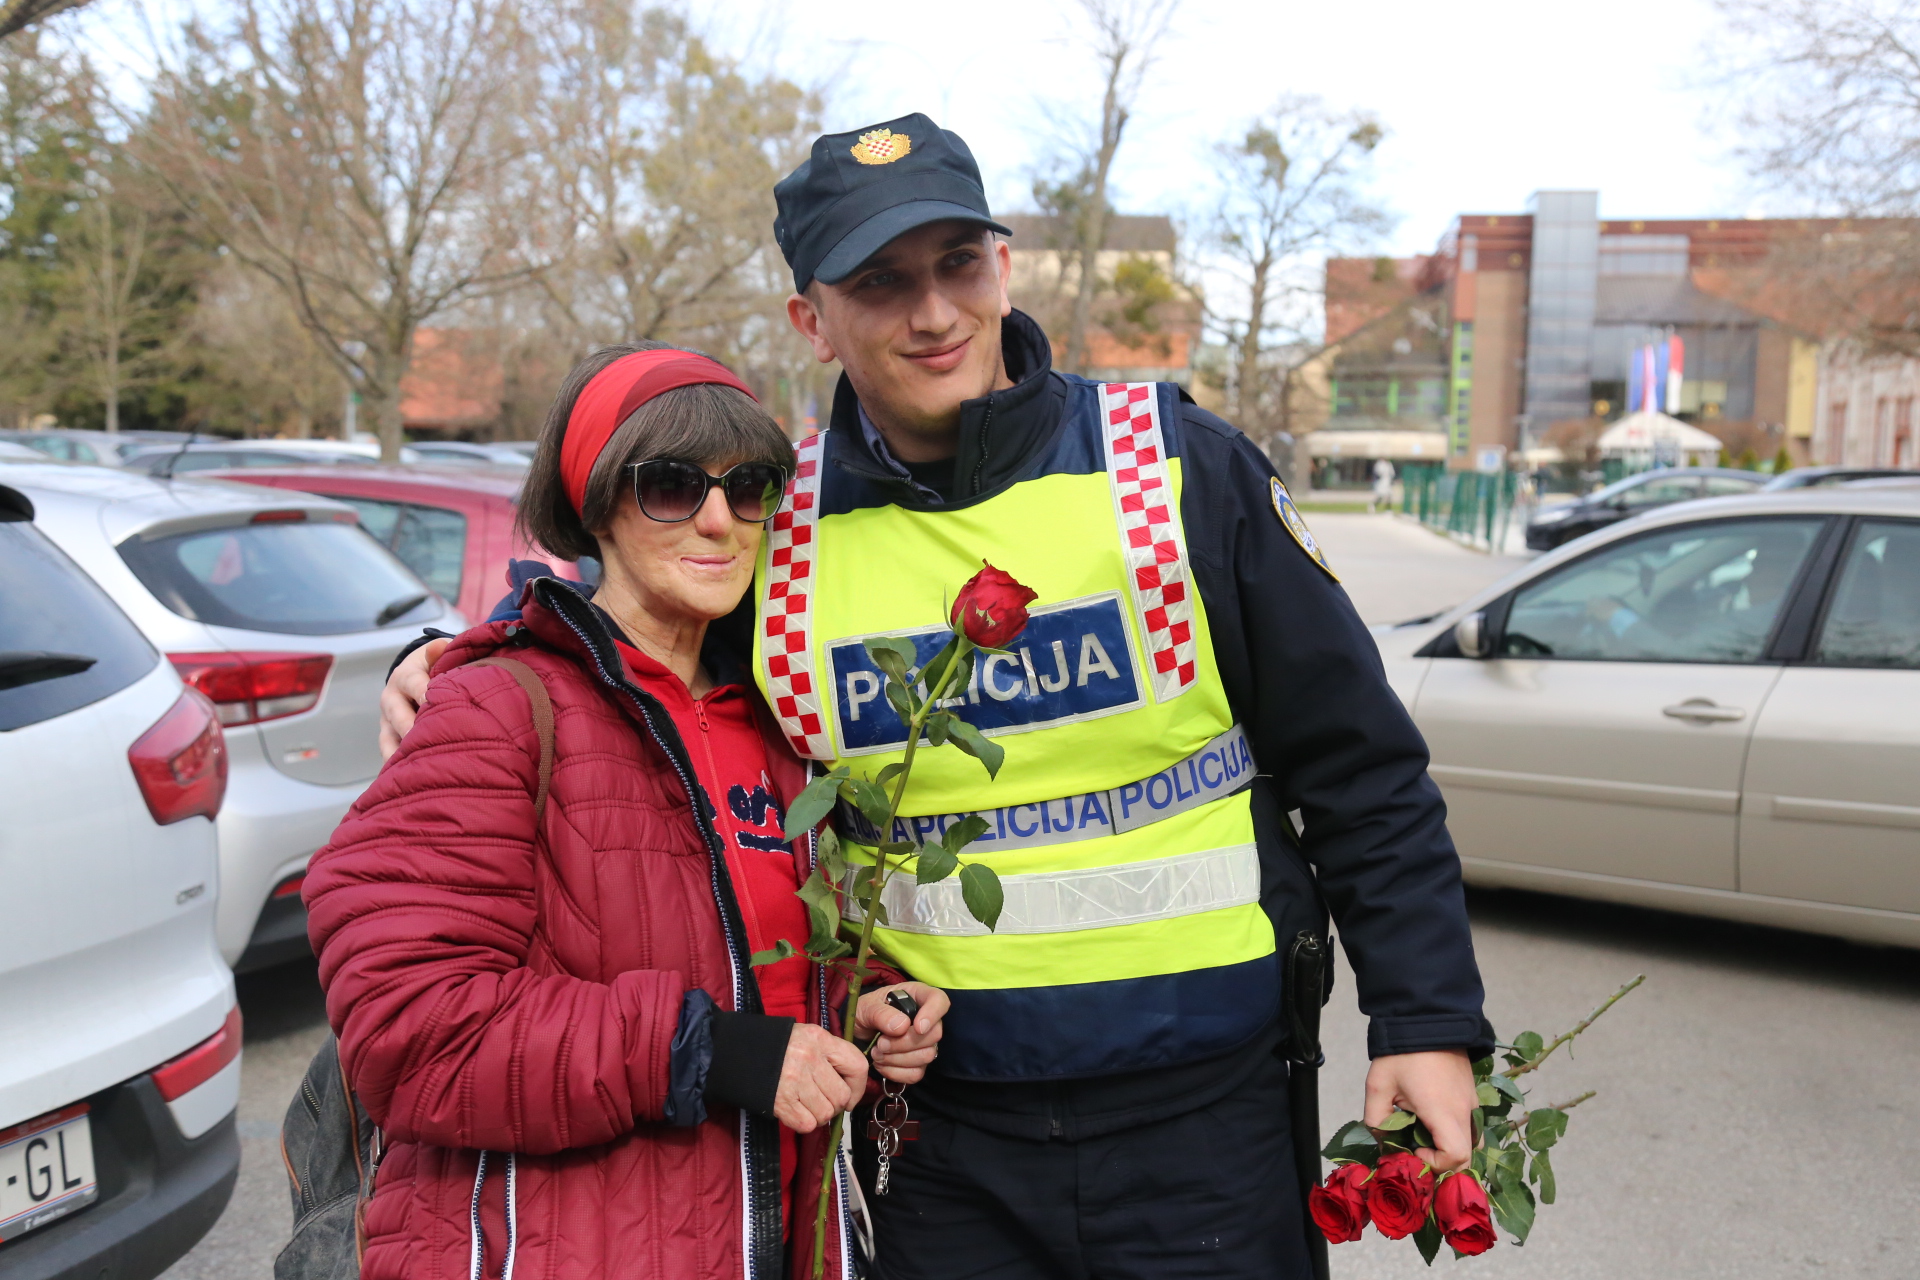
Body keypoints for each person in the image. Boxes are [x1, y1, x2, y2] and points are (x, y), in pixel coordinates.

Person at [382, 115, 1491, 1279]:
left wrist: (1425, 1017)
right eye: (880, 281)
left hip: (1206, 1122)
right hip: (936, 1141)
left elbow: (1360, 768)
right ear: (812, 320)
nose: (933, 311)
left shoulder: (1174, 467)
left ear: (1002, 266)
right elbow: (624, 626)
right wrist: (448, 653)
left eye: (958, 263)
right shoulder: (779, 524)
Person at [310, 342, 949, 1280]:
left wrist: (869, 1001)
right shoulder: (497, 706)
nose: (720, 521)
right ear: (597, 504)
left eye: (750, 488)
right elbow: (408, 1027)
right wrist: (709, 1053)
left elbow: (749, 959)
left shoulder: (776, 723)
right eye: (672, 486)